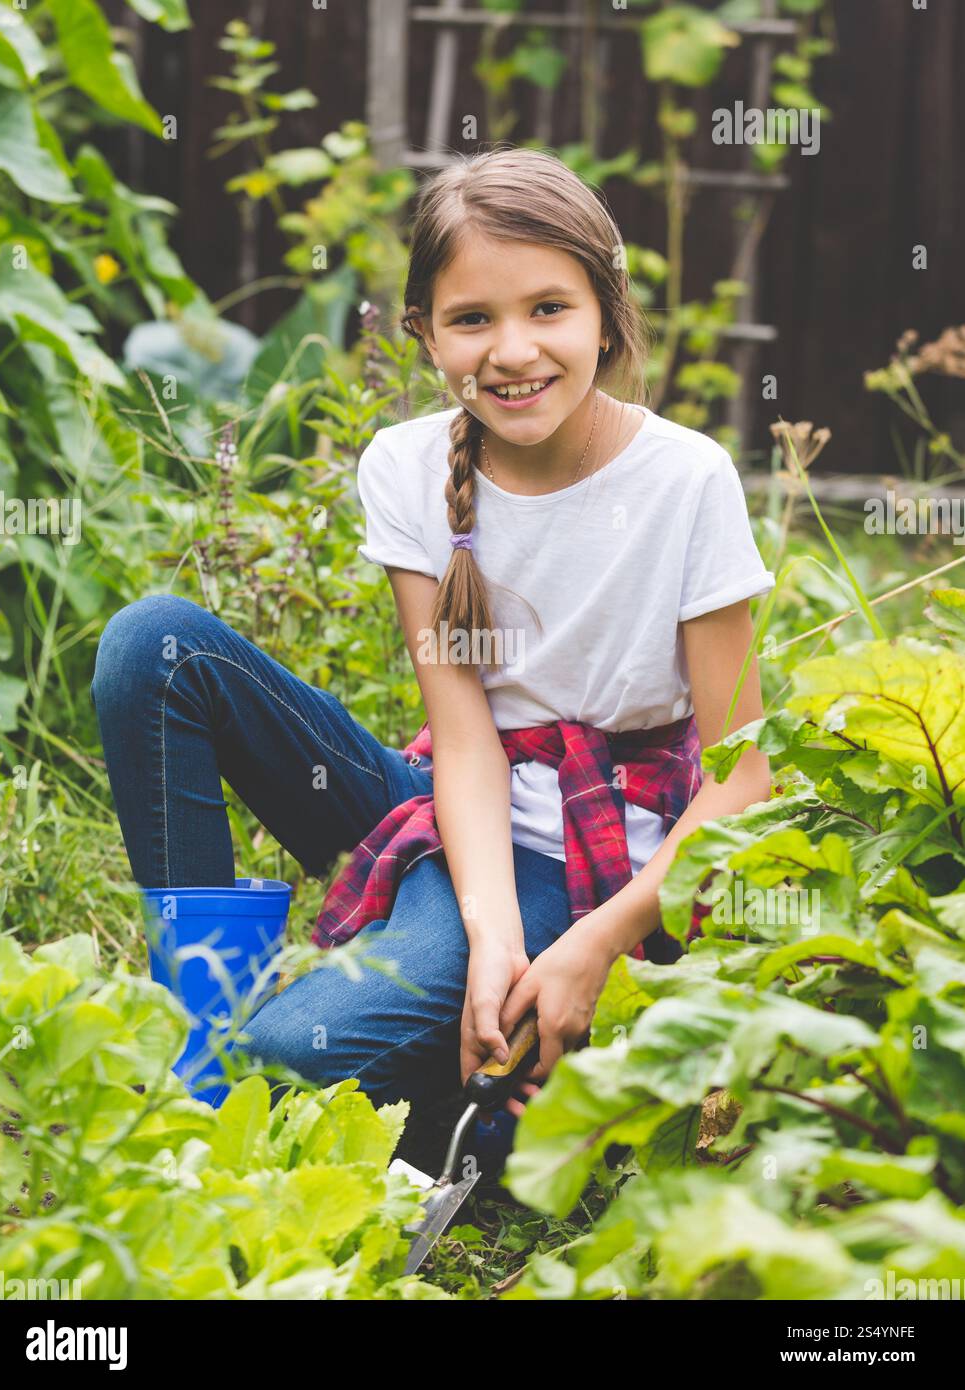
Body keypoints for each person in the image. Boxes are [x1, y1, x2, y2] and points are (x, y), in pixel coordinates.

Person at [90, 146, 774, 1142]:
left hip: (591, 862)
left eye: (548, 309)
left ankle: (472, 1106)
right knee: (155, 647)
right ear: (421, 332)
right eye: (471, 318)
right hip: (453, 809)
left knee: (285, 1058)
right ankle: (201, 1033)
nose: (511, 350)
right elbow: (464, 740)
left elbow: (743, 776)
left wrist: (587, 946)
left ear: (605, 309)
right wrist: (488, 933)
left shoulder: (685, 481)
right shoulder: (407, 466)